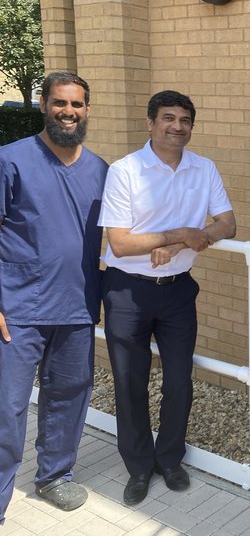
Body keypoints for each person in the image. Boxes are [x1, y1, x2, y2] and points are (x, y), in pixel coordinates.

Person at [99, 90, 236, 506]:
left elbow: (228, 223)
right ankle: (139, 466)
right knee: (129, 382)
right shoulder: (126, 171)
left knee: (179, 381)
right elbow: (120, 244)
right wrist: (179, 233)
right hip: (127, 292)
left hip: (177, 291)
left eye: (185, 120)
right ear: (150, 123)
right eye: (168, 118)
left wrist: (184, 245)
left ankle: (170, 458)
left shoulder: (203, 168)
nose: (177, 126)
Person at [0, 72, 108, 523]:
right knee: (7, 408)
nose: (69, 112)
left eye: (77, 105)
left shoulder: (102, 170)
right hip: (18, 310)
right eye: (60, 103)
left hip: (77, 307)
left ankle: (54, 476)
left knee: (68, 395)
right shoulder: (11, 160)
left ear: (87, 109)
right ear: (43, 105)